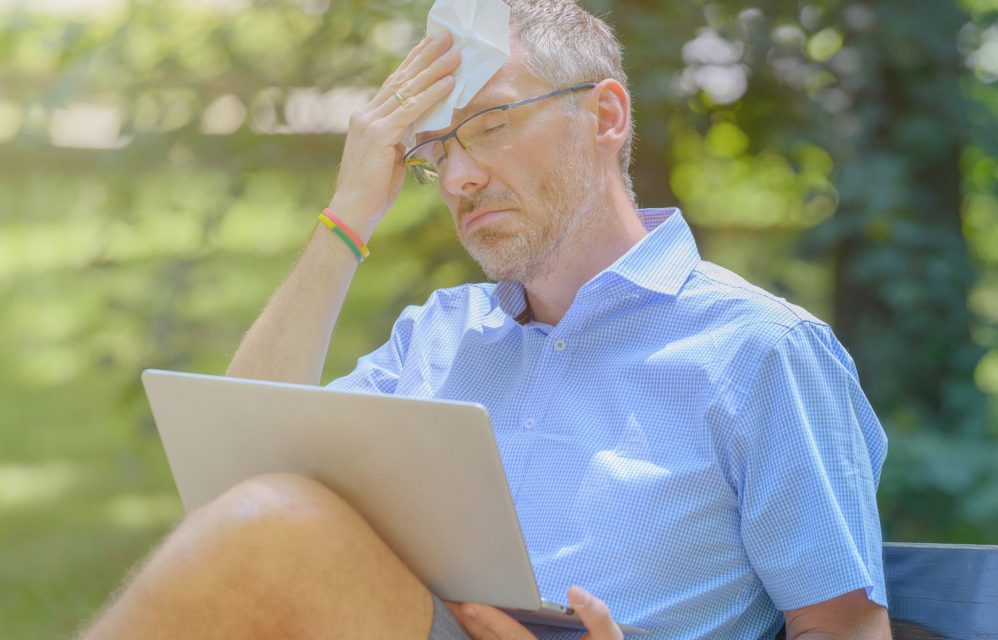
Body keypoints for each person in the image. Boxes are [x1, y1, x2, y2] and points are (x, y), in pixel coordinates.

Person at [80, 1, 891, 638]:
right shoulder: (435, 335)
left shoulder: (762, 351)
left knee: (277, 523)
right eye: (434, 153)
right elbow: (229, 488)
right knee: (267, 518)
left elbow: (848, 630)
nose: (460, 177)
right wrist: (347, 215)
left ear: (605, 116)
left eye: (491, 125)